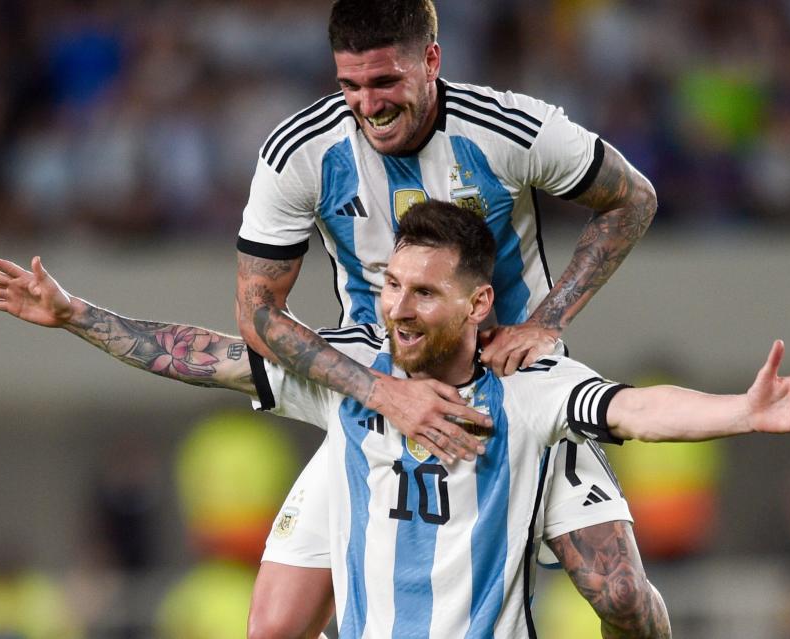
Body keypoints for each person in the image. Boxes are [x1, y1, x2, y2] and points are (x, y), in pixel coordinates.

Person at [0, 201, 790, 637]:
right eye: (391, 284)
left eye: (425, 291)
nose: (399, 307)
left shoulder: (528, 389)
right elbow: (203, 353)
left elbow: (633, 408)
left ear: (479, 305)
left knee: (622, 594)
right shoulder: (349, 376)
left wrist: (742, 409)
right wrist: (77, 313)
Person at [233, 0, 661, 635]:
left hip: (512, 396)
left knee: (622, 596)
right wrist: (381, 391)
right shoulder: (302, 153)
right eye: (349, 85)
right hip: (375, 394)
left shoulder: (508, 129)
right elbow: (256, 311)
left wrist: (547, 321)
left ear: (431, 59)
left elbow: (632, 199)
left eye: (385, 82)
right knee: (272, 628)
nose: (368, 105)